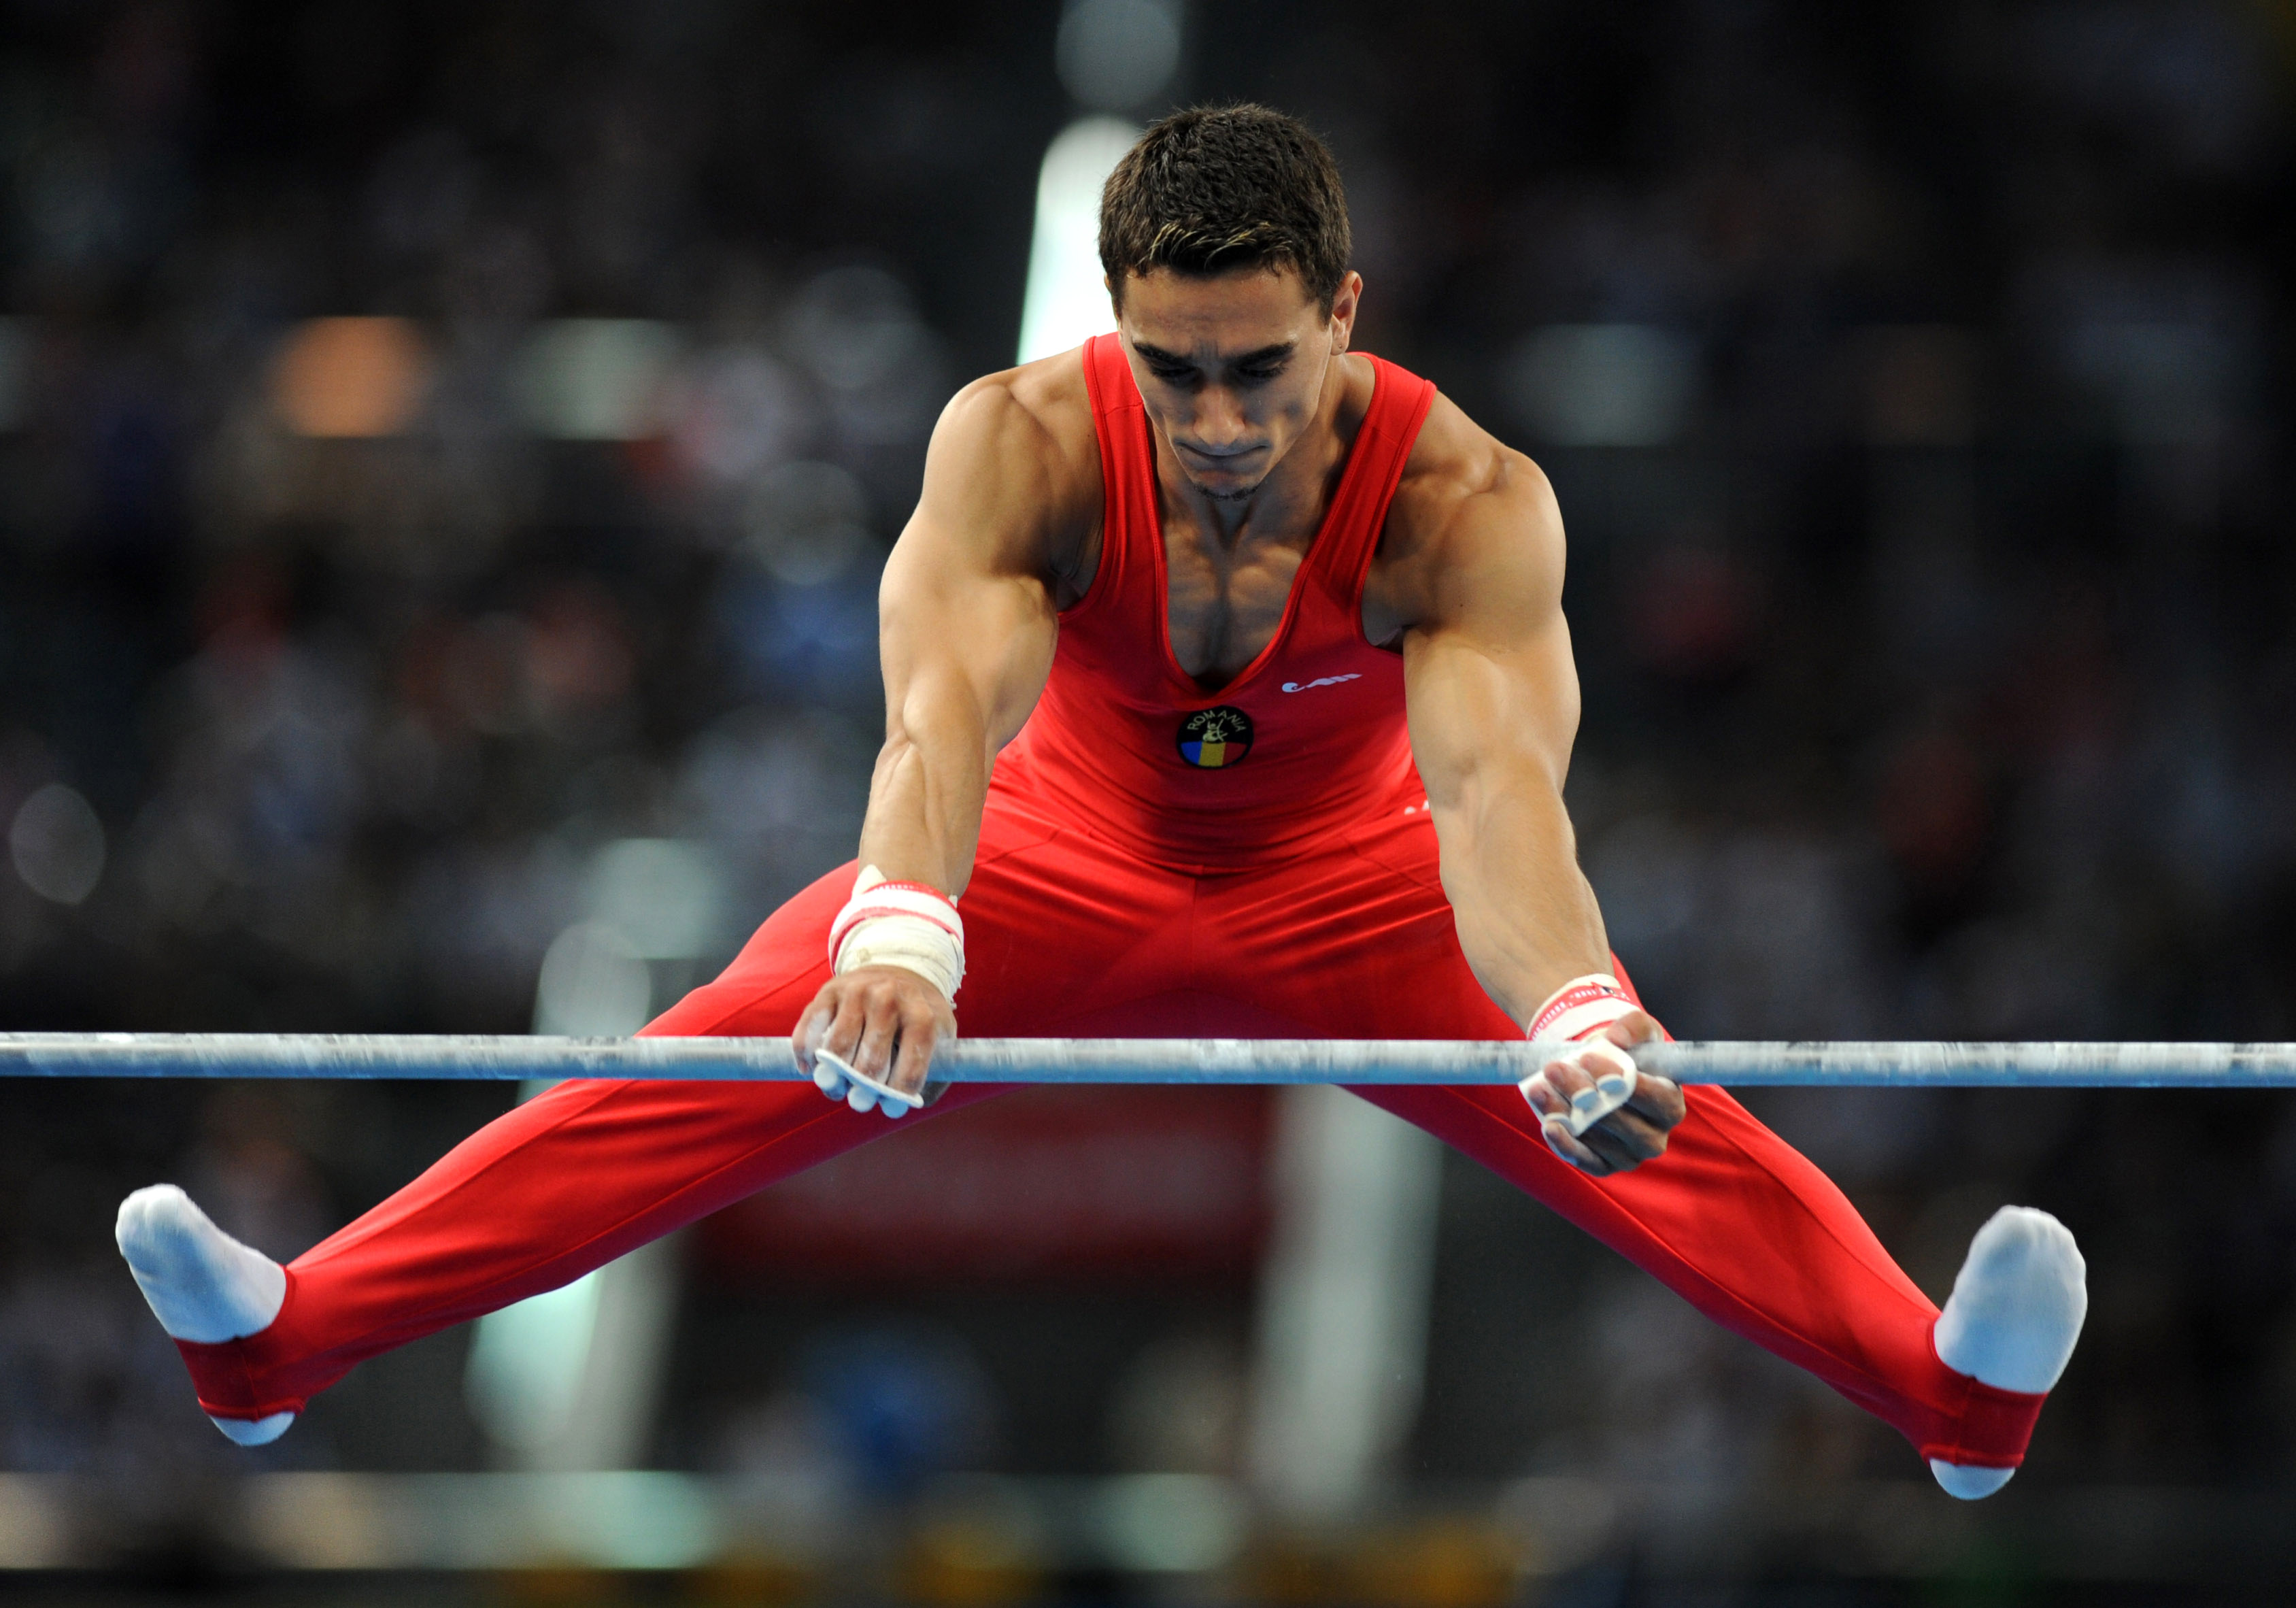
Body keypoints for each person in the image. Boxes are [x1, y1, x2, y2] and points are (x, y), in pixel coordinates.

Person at [115, 104, 2084, 1498]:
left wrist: (1568, 1006)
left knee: (1633, 1098)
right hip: (1055, 853)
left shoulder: (1463, 497)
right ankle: (273, 1349)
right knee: (694, 1071)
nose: (1215, 428)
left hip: (1361, 892)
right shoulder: (1025, 445)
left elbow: (1495, 787)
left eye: (1257, 374)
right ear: (1108, 331)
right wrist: (906, 915)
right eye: (1168, 374)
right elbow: (938, 713)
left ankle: (1949, 1401)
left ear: (1347, 311)